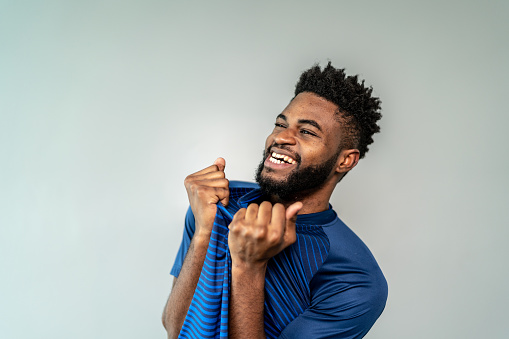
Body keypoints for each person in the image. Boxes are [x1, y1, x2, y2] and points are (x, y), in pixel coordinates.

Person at [162, 62, 388, 339]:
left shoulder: (356, 282)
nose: (281, 137)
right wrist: (205, 232)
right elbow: (175, 330)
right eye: (281, 124)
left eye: (307, 132)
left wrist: (248, 268)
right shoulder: (216, 203)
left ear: (345, 160)